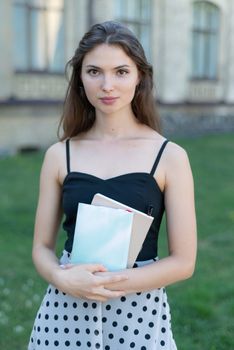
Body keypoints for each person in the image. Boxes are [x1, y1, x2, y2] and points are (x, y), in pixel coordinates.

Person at [28, 20, 197, 350]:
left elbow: (184, 261)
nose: (107, 85)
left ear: (139, 77)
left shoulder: (170, 156)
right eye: (94, 72)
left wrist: (106, 283)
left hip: (139, 314)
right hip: (64, 311)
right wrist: (63, 278)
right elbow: (40, 247)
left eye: (121, 71)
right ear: (80, 78)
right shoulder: (59, 155)